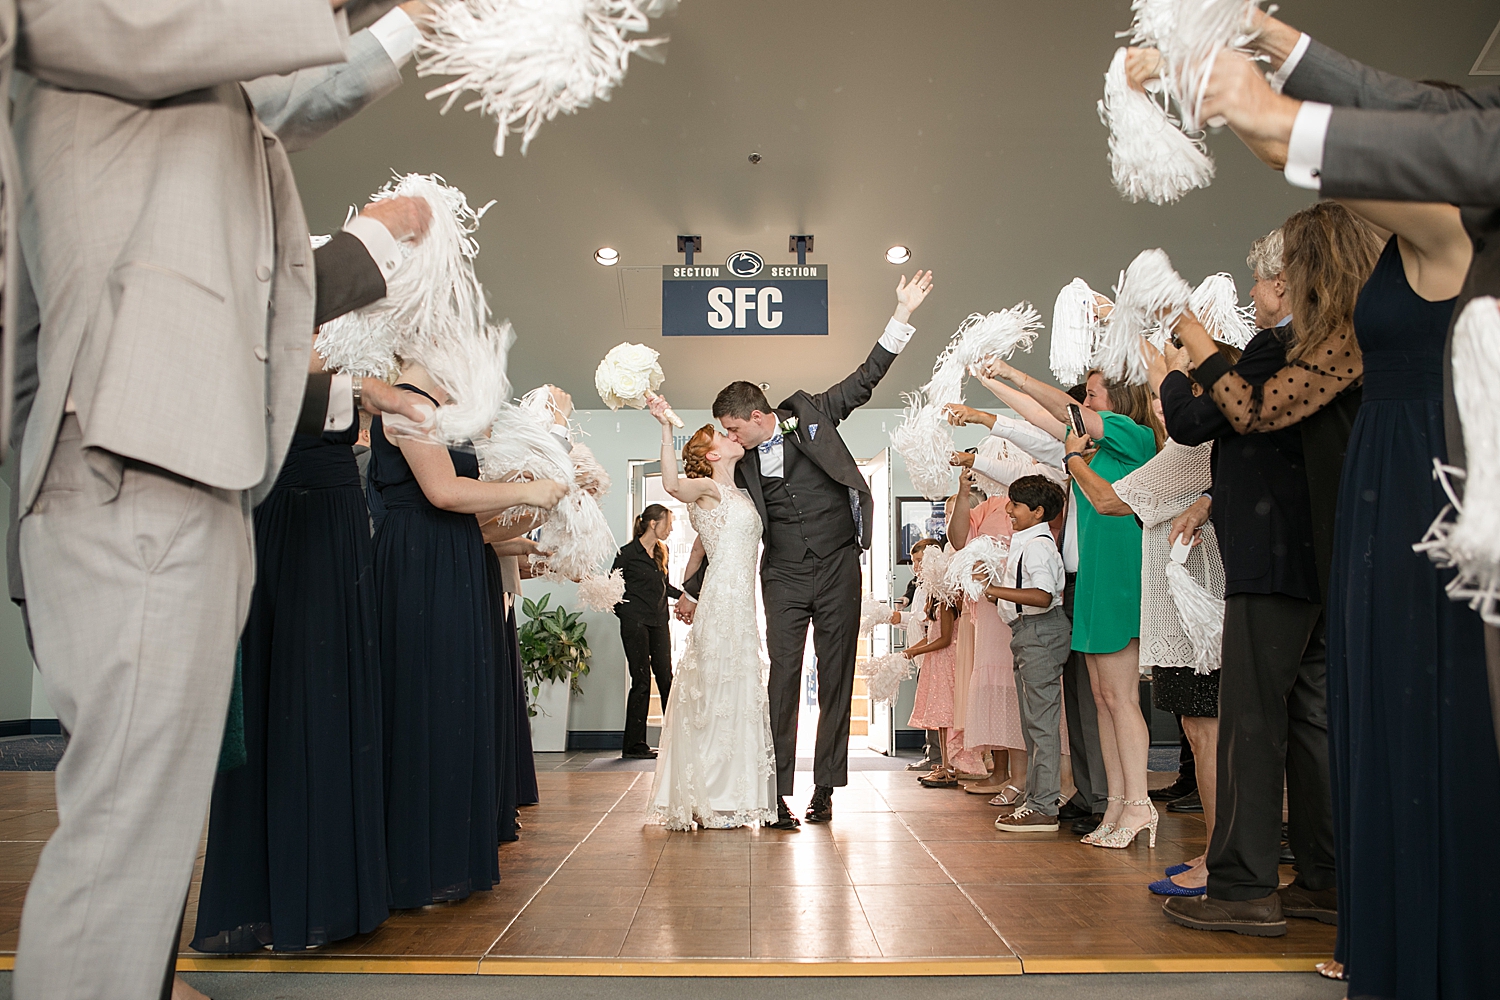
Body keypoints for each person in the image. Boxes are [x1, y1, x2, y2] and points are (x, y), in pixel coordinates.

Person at [8, 6, 435, 995]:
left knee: (147, 819)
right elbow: (230, 47)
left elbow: (283, 91)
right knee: (124, 825)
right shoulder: (97, 27)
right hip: (134, 452)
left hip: (192, 462)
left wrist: (413, 23)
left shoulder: (201, 95)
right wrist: (370, 239)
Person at [1127, 13, 1500, 756]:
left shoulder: (1452, 232)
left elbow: (1292, 141)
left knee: (1423, 697)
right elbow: (1282, 147)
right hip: (1374, 483)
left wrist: (1236, 84)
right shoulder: (1393, 262)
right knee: (1369, 702)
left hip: (1425, 469)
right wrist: (1251, 37)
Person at [1160, 206, 1381, 937]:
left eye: (1267, 279)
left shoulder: (1287, 347)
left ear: (1293, 278)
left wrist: (1188, 356)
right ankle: (1324, 878)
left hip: (1275, 555)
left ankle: (1245, 884)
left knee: (1251, 721)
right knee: (1312, 719)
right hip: (1326, 551)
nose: (1259, 293)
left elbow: (1227, 418)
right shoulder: (1346, 343)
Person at [714, 270, 935, 828]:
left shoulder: (808, 414)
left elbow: (865, 380)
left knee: (836, 673)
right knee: (782, 674)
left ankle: (826, 790)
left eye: (735, 429)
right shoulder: (737, 463)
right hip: (783, 574)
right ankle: (776, 791)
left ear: (761, 416)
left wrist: (901, 316)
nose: (731, 438)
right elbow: (719, 519)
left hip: (838, 566)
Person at [371, 358, 566, 908]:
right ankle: (417, 864)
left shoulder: (434, 412)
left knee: (454, 710)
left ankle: (446, 855)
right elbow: (444, 492)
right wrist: (531, 492)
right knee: (426, 709)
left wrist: (527, 521)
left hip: (449, 558)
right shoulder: (406, 405)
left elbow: (466, 510)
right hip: (418, 565)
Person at [1066, 347, 1229, 893]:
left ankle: (1215, 857)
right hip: (1178, 607)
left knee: (1206, 734)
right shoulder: (1181, 447)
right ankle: (1194, 842)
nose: (1164, 408)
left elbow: (1113, 503)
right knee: (1192, 729)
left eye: (1173, 397)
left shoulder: (1172, 446)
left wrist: (1073, 460)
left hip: (1197, 609)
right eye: (1159, 398)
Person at [983, 360, 1161, 850]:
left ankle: (1140, 803)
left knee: (1120, 698)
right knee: (1104, 698)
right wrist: (992, 383)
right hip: (1093, 575)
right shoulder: (1095, 446)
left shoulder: (1133, 435)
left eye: (1095, 394)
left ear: (1120, 400)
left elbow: (1063, 412)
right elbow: (1045, 420)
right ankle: (1120, 801)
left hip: (1118, 573)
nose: (1086, 400)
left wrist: (1017, 374)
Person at [645, 397, 776, 830]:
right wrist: (665, 427)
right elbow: (669, 484)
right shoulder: (708, 488)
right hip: (723, 598)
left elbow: (701, 548)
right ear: (714, 454)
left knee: (736, 686)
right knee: (716, 688)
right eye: (723, 434)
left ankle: (732, 792)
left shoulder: (739, 490)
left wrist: (686, 591)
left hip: (741, 599)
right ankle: (711, 793)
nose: (732, 435)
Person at [979, 475, 1070, 833]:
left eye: (1015, 505)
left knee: (1041, 723)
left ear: (1037, 511)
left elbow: (1042, 595)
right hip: (1026, 633)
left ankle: (1044, 806)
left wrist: (996, 590)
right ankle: (1037, 797)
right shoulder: (1026, 542)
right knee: (1033, 722)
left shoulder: (1037, 547)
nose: (1008, 510)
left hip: (1039, 631)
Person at [613, 503, 684, 760]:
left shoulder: (661, 551)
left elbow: (664, 586)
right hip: (635, 623)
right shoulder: (627, 553)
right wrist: (626, 614)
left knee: (666, 677)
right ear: (653, 523)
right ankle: (634, 745)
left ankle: (676, 739)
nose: (671, 528)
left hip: (658, 621)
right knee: (641, 681)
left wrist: (687, 597)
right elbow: (612, 589)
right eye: (669, 523)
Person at [899, 539, 960, 787]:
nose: (917, 569)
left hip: (945, 661)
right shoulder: (932, 598)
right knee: (939, 717)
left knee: (946, 715)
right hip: (934, 661)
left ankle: (948, 766)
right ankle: (942, 764)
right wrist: (911, 651)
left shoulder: (945, 599)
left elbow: (943, 639)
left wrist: (916, 652)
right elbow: (930, 633)